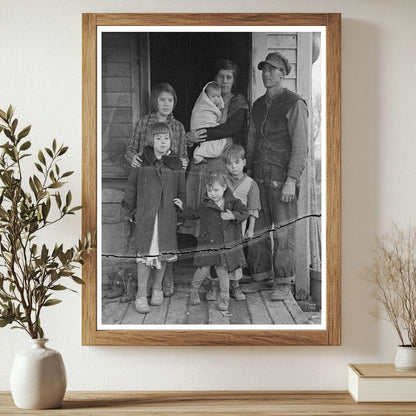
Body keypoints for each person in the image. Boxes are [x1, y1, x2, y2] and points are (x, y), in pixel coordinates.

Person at [245, 51, 308, 301]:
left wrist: (291, 179)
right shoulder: (258, 105)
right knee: (258, 229)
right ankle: (261, 278)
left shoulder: (294, 103)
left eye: (272, 70)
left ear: (283, 74)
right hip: (258, 177)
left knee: (283, 233)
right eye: (264, 69)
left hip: (282, 179)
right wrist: (248, 173)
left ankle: (283, 282)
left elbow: (301, 146)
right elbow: (251, 139)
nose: (266, 74)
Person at [124, 83, 188, 298]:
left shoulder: (177, 126)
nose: (167, 104)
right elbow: (132, 148)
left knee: (166, 239)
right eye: (162, 100)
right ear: (155, 102)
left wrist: (182, 163)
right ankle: (142, 289)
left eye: (170, 100)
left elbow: (182, 155)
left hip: (169, 183)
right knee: (145, 240)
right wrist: (133, 158)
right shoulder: (145, 122)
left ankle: (163, 282)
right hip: (147, 180)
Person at [182, 59, 250, 237]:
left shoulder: (238, 101)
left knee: (220, 208)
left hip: (223, 160)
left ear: (234, 80)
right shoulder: (205, 100)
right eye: (221, 76)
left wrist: (198, 133)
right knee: (201, 206)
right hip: (203, 162)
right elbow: (196, 122)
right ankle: (203, 256)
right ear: (214, 79)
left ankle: (219, 262)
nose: (225, 81)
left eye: (229, 77)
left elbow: (231, 128)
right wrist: (190, 137)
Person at [174, 171, 248, 312]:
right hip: (208, 243)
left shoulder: (233, 203)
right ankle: (194, 291)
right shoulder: (205, 205)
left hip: (224, 244)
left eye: (216, 190)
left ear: (224, 187)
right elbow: (194, 214)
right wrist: (183, 207)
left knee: (223, 273)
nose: (212, 193)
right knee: (202, 270)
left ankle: (225, 299)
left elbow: (244, 213)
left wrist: (233, 215)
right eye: (209, 190)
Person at [222, 144, 262, 301]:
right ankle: (216, 285)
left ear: (244, 162)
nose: (234, 167)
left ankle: (235, 286)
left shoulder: (251, 184)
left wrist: (250, 229)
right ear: (226, 165)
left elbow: (253, 209)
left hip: (238, 227)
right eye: (230, 164)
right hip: (222, 225)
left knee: (235, 255)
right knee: (218, 255)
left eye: (237, 163)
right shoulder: (222, 180)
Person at [190, 81, 231, 164]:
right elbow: (199, 117)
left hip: (209, 128)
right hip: (203, 127)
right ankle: (198, 154)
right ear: (206, 97)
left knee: (218, 144)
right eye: (213, 96)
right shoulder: (203, 107)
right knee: (217, 145)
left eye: (218, 96)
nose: (216, 99)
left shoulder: (213, 106)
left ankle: (199, 154)